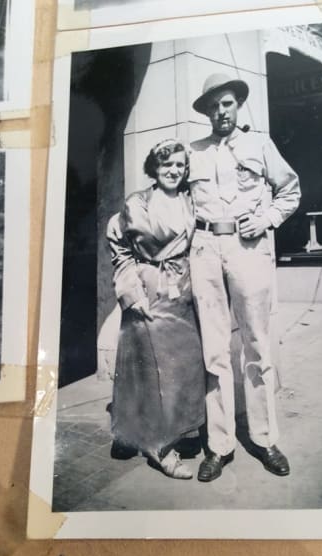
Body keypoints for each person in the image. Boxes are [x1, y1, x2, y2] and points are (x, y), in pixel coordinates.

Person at [188, 73, 301, 482]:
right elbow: (170, 195)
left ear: (238, 106)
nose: (221, 112)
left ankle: (265, 439)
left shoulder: (259, 145)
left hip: (248, 250)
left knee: (256, 344)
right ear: (206, 111)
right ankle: (219, 446)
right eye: (214, 106)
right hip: (203, 252)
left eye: (227, 104)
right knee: (214, 350)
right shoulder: (193, 152)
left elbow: (290, 190)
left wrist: (267, 219)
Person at [107, 139, 205, 480]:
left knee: (182, 368)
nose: (174, 171)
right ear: (155, 168)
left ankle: (175, 431)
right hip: (149, 288)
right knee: (151, 371)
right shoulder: (138, 203)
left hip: (184, 289)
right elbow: (119, 247)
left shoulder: (192, 201)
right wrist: (132, 292)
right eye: (167, 165)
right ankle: (160, 449)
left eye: (179, 165)